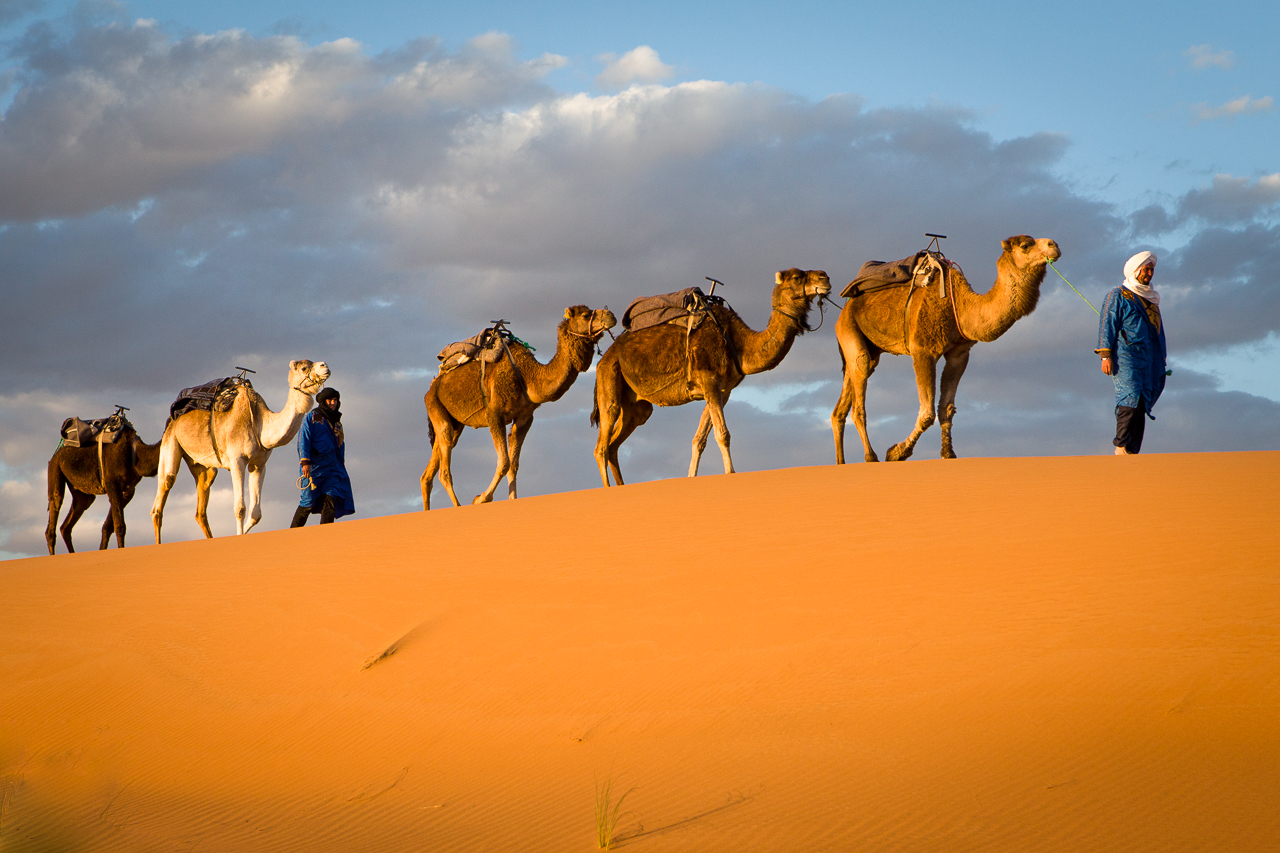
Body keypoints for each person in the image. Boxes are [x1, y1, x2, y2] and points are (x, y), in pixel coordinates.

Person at [1095, 251, 1168, 455]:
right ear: (1136, 270)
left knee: (1143, 401)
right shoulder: (1118, 295)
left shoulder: (1151, 300)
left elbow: (1158, 331)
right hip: (1126, 356)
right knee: (1131, 396)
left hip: (1148, 359)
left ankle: (1132, 452)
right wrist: (1106, 355)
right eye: (1146, 269)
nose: (1150, 273)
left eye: (1152, 269)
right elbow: (1107, 324)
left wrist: (1161, 358)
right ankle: (1121, 446)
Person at [291, 387, 355, 526]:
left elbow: (340, 446)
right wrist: (305, 462)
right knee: (307, 502)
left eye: (335, 400)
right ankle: (292, 537)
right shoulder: (312, 418)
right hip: (314, 468)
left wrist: (340, 466)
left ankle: (326, 537)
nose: (332, 403)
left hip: (332, 470)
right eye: (329, 400)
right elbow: (303, 439)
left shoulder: (337, 422)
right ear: (323, 401)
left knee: (330, 500)